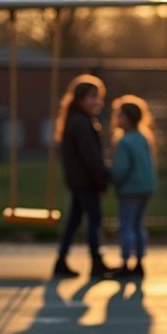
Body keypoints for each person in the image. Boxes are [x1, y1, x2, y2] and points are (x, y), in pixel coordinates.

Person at [53, 74, 114, 279]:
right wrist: (102, 178)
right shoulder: (82, 124)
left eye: (99, 97)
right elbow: (90, 157)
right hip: (85, 181)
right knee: (94, 220)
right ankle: (96, 261)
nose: (97, 102)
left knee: (75, 220)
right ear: (80, 99)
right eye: (92, 97)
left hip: (79, 180)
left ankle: (61, 260)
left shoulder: (77, 120)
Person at [109, 95, 157, 278]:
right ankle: (139, 260)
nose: (117, 119)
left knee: (126, 225)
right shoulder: (143, 138)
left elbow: (121, 169)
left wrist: (111, 176)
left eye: (119, 115)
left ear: (126, 118)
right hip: (145, 188)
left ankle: (125, 261)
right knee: (138, 225)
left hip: (130, 189)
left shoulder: (124, 142)